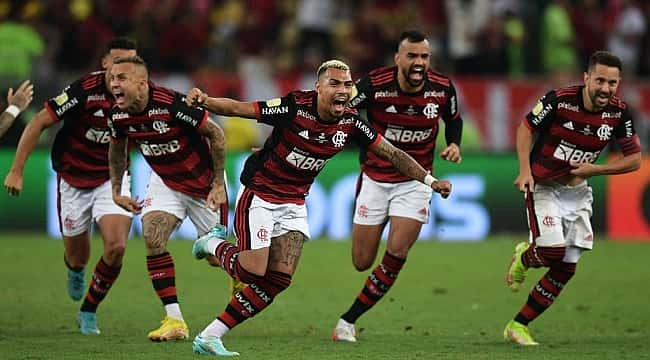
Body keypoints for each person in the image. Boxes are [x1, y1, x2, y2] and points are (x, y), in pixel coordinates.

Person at [184, 59, 453, 356]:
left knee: (278, 280)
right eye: (335, 84)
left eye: (347, 85)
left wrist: (429, 180)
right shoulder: (294, 107)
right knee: (252, 272)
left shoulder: (351, 122)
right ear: (319, 88)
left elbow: (391, 152)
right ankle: (212, 243)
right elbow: (241, 109)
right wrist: (206, 101)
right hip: (260, 193)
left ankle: (211, 335)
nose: (343, 90)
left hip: (294, 202)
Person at [332, 30, 463, 342]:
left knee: (397, 250)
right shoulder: (375, 85)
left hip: (416, 181)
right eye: (412, 56)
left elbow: (453, 119)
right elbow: (341, 110)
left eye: (424, 57)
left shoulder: (443, 88)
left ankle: (348, 321)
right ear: (398, 59)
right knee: (361, 261)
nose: (419, 63)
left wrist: (454, 143)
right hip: (375, 179)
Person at [504, 50, 642, 345]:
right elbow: (526, 128)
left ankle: (518, 325)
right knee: (552, 253)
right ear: (586, 78)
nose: (606, 88)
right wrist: (524, 171)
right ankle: (524, 258)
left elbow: (634, 159)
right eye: (600, 80)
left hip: (578, 193)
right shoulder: (559, 100)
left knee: (566, 268)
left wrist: (597, 169)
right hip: (544, 186)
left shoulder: (619, 113)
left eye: (613, 83)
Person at [3, 38, 137, 335]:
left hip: (112, 178)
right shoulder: (82, 91)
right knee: (78, 257)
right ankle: (75, 270)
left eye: (132, 62)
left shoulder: (139, 94)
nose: (124, 68)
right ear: (104, 62)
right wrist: (17, 170)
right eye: (118, 61)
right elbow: (38, 123)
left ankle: (88, 310)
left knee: (116, 247)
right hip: (74, 178)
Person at [106, 56, 228, 342]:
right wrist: (116, 190)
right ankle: (174, 320)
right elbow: (116, 148)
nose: (114, 84)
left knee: (215, 257)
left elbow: (216, 134)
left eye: (121, 78)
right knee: (152, 237)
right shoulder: (117, 115)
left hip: (203, 185)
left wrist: (219, 183)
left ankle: (239, 275)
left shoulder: (173, 104)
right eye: (112, 79)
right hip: (166, 182)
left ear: (141, 82)